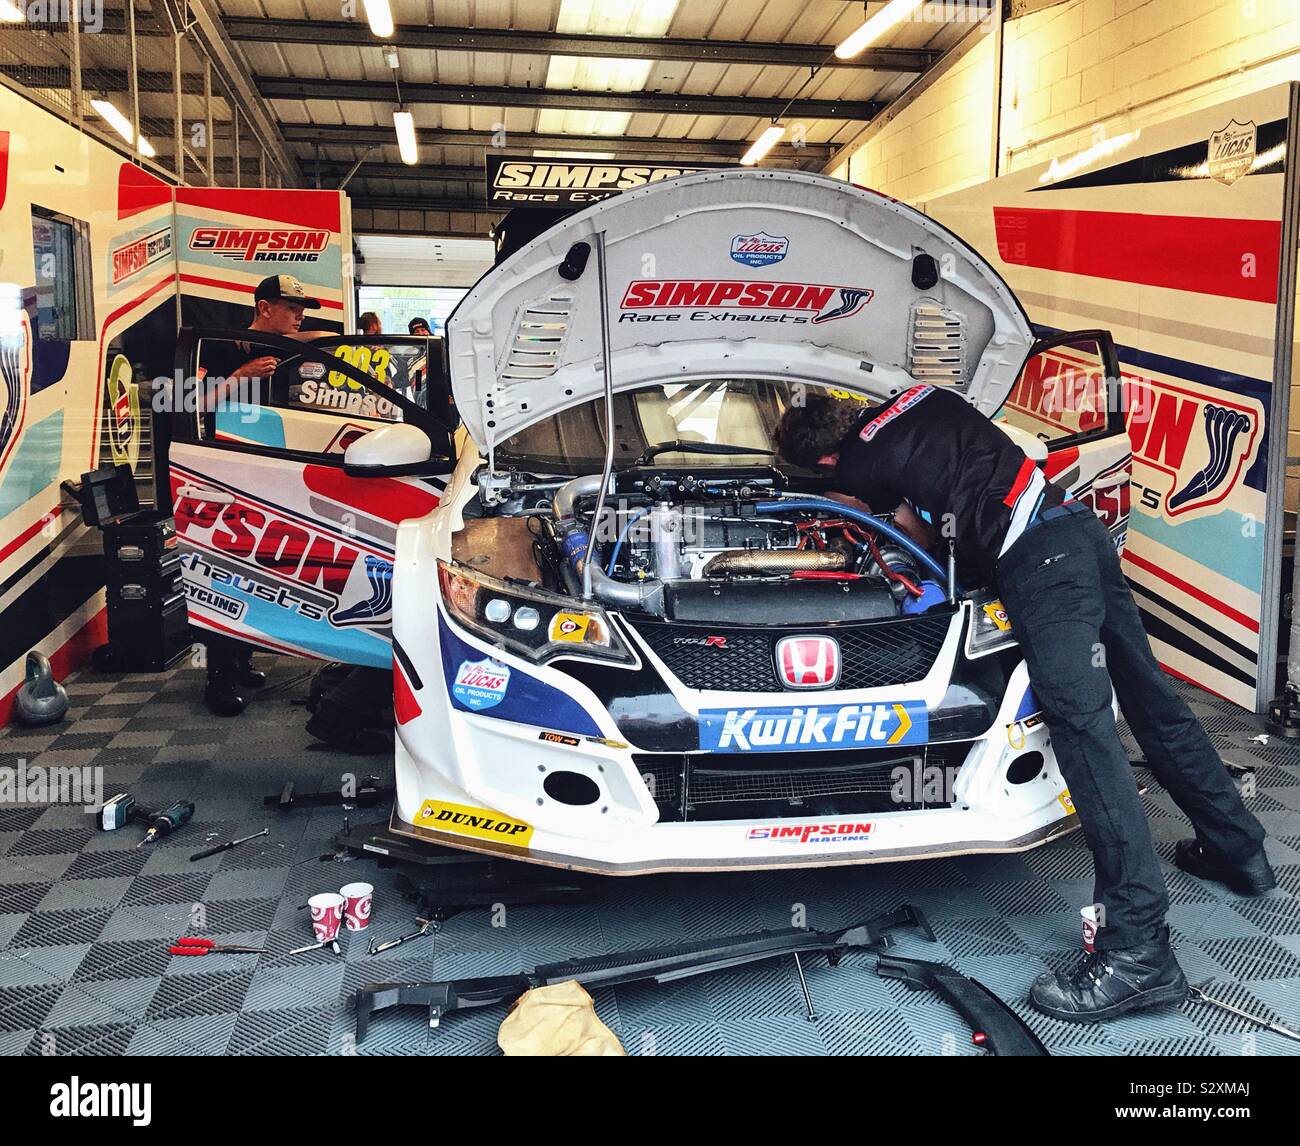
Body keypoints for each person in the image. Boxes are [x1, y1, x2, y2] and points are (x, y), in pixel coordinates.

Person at [776, 386, 1273, 1024]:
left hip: (1040, 565)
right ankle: (1239, 849)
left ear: (821, 463)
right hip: (1076, 526)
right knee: (1152, 702)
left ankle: (1139, 952)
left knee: (1085, 738)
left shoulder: (853, 469)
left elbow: (912, 532)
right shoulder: (922, 396)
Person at [194, 275, 333, 717]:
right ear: (263, 307)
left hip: (273, 470)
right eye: (290, 307)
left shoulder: (288, 344)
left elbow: (325, 334)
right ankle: (217, 678)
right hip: (224, 472)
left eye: (301, 307)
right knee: (224, 570)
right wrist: (241, 375)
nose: (299, 314)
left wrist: (312, 335)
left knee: (259, 570)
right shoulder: (220, 346)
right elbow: (194, 405)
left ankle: (241, 660)